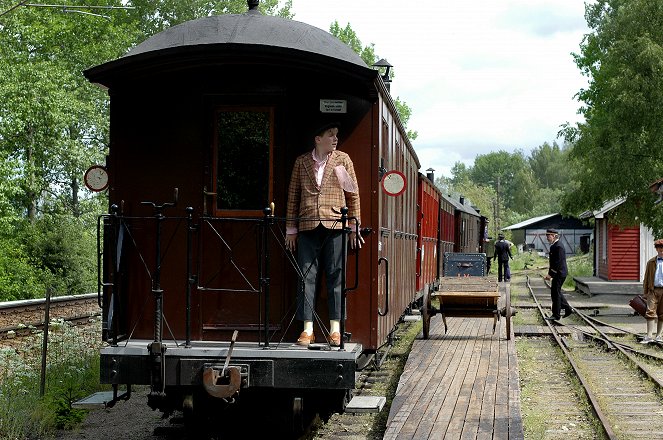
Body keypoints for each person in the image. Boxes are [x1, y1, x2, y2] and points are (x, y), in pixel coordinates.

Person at [285, 121, 362, 347]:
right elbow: (293, 197)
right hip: (307, 226)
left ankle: (335, 329)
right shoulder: (301, 162)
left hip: (336, 225)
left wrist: (353, 227)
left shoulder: (343, 160)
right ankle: (307, 329)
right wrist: (291, 229)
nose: (335, 139)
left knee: (336, 275)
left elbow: (353, 195)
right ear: (318, 139)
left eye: (336, 135)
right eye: (331, 135)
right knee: (306, 276)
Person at [543, 229, 572, 320]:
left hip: (560, 273)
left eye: (549, 236)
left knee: (555, 293)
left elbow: (557, 262)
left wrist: (550, 274)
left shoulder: (558, 246)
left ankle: (556, 315)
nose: (547, 238)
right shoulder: (555, 246)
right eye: (547, 236)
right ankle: (567, 309)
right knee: (556, 292)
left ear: (554, 236)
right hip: (558, 273)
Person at [640, 238, 663, 344]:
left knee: (662, 313)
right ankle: (649, 336)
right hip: (652, 290)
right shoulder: (651, 262)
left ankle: (659, 336)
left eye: (662, 248)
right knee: (650, 312)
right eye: (659, 248)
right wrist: (645, 292)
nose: (661, 250)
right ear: (656, 249)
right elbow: (646, 277)